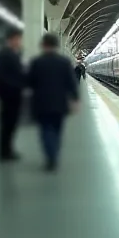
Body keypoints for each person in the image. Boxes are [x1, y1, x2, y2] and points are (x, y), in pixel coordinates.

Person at [26, 34, 80, 172]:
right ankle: (54, 153)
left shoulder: (36, 62)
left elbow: (29, 82)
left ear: (43, 45)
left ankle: (50, 157)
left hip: (41, 103)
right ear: (56, 46)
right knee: (57, 130)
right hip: (59, 103)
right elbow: (71, 82)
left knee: (45, 130)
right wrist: (75, 99)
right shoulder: (64, 62)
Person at [0, 30, 25, 162]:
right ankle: (4, 152)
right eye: (17, 39)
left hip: (12, 95)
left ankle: (7, 150)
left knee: (10, 124)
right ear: (10, 40)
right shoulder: (5, 54)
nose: (19, 42)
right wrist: (15, 86)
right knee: (7, 124)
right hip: (8, 95)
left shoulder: (12, 54)